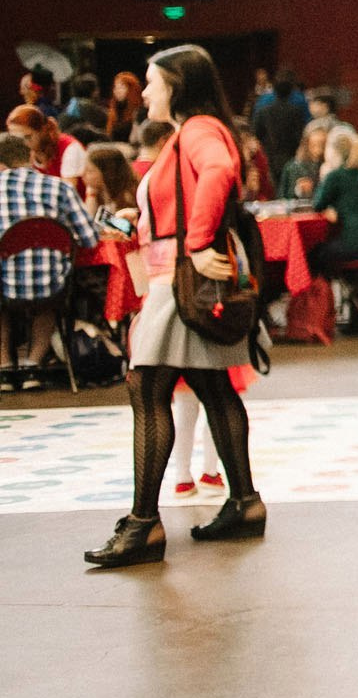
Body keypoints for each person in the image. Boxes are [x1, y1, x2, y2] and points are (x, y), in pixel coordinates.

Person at [85, 44, 267, 569]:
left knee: (148, 386)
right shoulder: (195, 132)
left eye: (152, 81)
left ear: (177, 86)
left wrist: (196, 242)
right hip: (178, 276)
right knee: (210, 385)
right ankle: (243, 502)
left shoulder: (197, 131)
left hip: (177, 279)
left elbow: (218, 173)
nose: (144, 91)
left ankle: (143, 525)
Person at [0, 131, 103, 393]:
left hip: (4, 286)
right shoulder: (59, 187)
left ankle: (4, 368)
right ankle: (33, 364)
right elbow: (90, 238)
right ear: (31, 157)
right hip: (52, 285)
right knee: (49, 298)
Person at [307, 128, 358, 281]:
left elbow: (317, 204)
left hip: (352, 245)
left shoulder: (335, 177)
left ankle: (321, 300)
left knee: (313, 254)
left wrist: (324, 176)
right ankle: (357, 298)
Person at [250, 69, 310, 179]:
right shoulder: (298, 108)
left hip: (268, 156)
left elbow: (255, 134)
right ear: (291, 90)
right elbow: (301, 134)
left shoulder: (262, 105)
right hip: (290, 156)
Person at [5, 104, 86, 185]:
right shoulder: (20, 156)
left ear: (42, 130)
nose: (23, 144)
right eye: (15, 140)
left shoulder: (70, 148)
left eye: (28, 137)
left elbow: (67, 190)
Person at [277, 122, 330, 202]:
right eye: (314, 145)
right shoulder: (293, 167)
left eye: (322, 145)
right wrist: (298, 190)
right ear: (307, 144)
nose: (319, 150)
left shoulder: (330, 166)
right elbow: (283, 196)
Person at [103, 71, 144, 141]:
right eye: (115, 87)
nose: (117, 91)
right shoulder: (114, 111)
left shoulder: (140, 112)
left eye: (122, 87)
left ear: (131, 89)